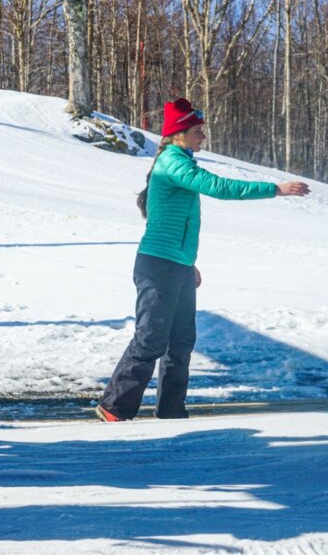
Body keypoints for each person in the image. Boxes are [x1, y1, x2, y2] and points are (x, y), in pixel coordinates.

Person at [96, 98, 310, 422]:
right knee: (151, 339)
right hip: (158, 265)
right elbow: (219, 187)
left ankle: (171, 411)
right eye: (198, 131)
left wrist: (187, 262)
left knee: (180, 344)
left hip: (176, 265)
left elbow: (175, 221)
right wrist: (275, 189)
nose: (203, 137)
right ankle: (114, 406)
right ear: (179, 134)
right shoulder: (173, 162)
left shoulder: (178, 161)